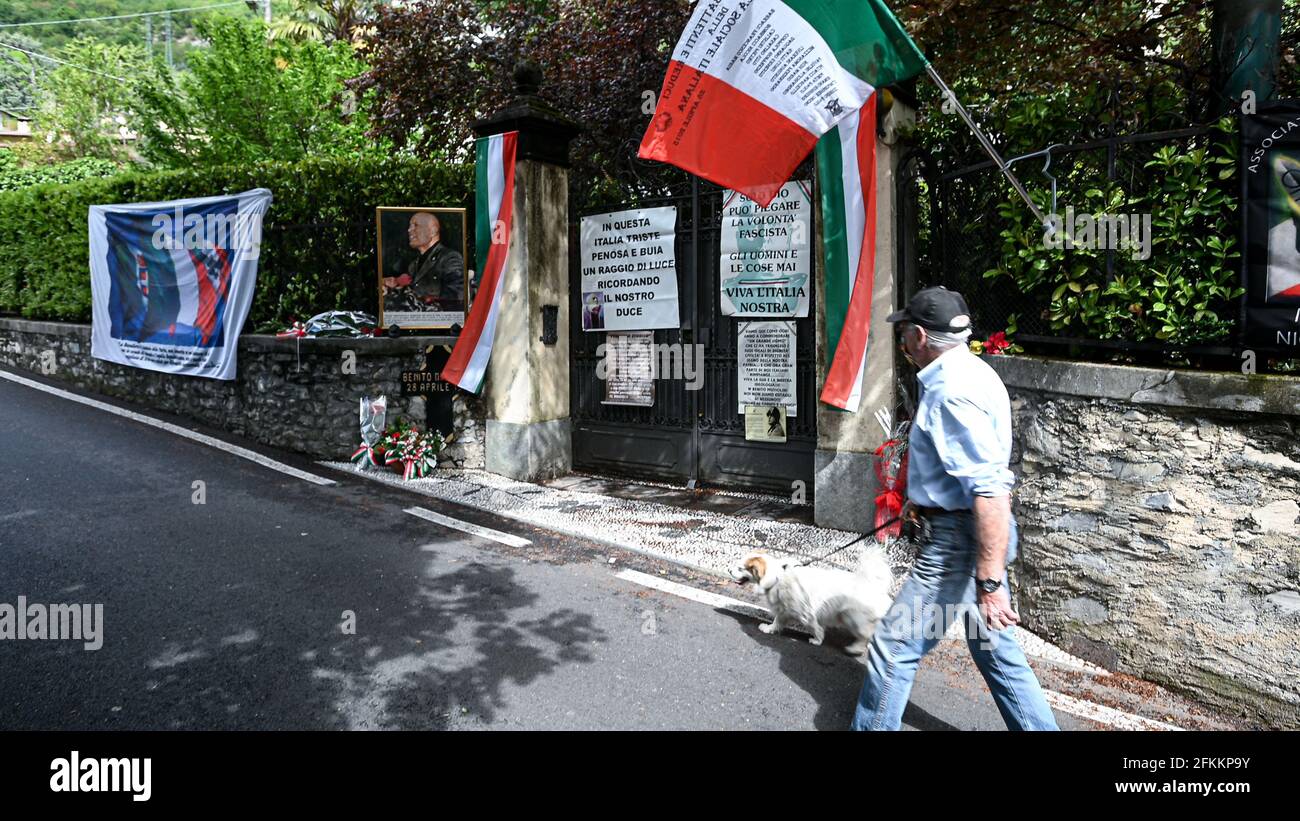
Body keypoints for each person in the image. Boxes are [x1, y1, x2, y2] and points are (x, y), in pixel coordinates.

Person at [851, 286, 1059, 731]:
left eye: (904, 330)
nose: (902, 339)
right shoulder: (973, 372)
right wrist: (920, 500)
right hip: (964, 528)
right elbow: (962, 469)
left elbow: (988, 490)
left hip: (961, 541)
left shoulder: (950, 394)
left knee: (894, 642)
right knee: (993, 649)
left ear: (921, 336)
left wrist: (989, 583)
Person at [383, 212, 464, 309]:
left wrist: (421, 299)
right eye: (410, 226)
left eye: (415, 225)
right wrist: (393, 286)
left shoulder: (450, 257)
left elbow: (457, 295)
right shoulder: (413, 265)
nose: (409, 230)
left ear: (433, 231)